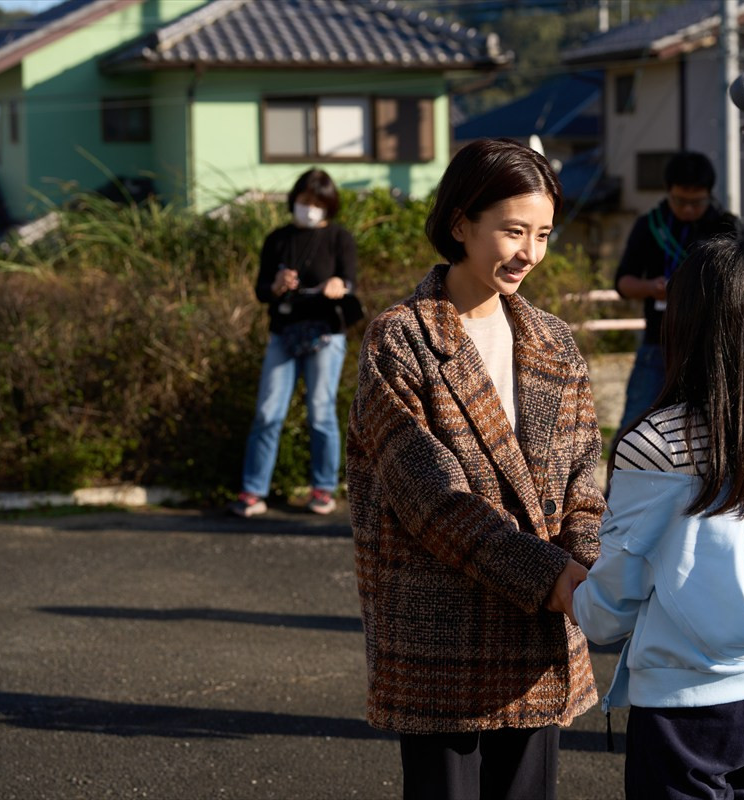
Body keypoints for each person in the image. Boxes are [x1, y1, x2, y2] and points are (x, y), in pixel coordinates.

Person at [345, 138, 607, 800]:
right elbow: (430, 498)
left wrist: (588, 562)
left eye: (542, 233)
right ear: (461, 223)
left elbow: (585, 478)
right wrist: (556, 579)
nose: (530, 253)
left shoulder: (554, 340)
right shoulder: (399, 339)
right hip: (441, 629)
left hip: (540, 628)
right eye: (513, 231)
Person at [574, 237, 744, 800]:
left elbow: (608, 609)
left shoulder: (657, 444)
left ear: (689, 324)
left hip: (688, 710)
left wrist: (569, 592)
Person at [229, 168, 357, 517]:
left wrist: (338, 286)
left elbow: (350, 283)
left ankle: (323, 488)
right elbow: (260, 291)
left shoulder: (339, 238)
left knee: (320, 412)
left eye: (317, 203)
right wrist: (276, 286)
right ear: (294, 200)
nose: (309, 209)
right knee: (268, 412)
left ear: (329, 205)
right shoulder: (277, 239)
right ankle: (253, 492)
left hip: (326, 334)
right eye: (304, 201)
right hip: (283, 333)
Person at [614, 151, 743, 431]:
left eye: (696, 202)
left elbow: (740, 285)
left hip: (711, 345)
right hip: (659, 343)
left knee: (715, 428)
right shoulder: (650, 225)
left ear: (709, 194)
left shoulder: (725, 227)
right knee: (635, 425)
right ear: (668, 191)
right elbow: (623, 283)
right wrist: (651, 287)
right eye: (679, 201)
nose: (686, 209)